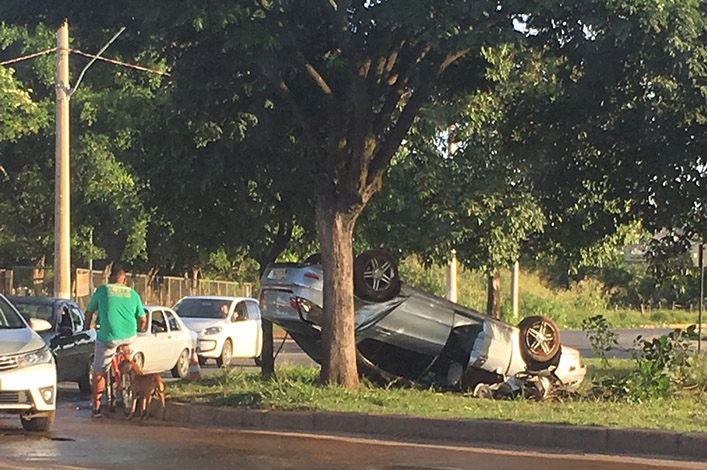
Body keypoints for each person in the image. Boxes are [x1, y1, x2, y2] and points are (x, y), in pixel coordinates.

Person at [84, 263, 146, 418]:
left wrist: (86, 327)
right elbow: (143, 319)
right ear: (124, 279)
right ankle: (129, 385)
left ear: (110, 277)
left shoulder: (102, 290)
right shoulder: (133, 293)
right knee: (127, 357)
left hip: (108, 337)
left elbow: (89, 311)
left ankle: (96, 407)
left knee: (99, 370)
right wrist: (138, 329)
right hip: (129, 336)